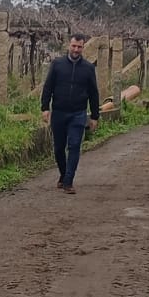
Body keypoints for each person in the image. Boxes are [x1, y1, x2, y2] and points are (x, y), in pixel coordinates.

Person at [41, 33, 101, 193]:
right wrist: (45, 108)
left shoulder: (88, 68)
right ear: (69, 45)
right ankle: (63, 174)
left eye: (79, 47)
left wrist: (95, 116)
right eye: (74, 46)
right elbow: (48, 87)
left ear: (83, 47)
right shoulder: (57, 64)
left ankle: (68, 182)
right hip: (59, 112)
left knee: (74, 146)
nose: (76, 49)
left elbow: (94, 93)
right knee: (59, 148)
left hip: (78, 113)